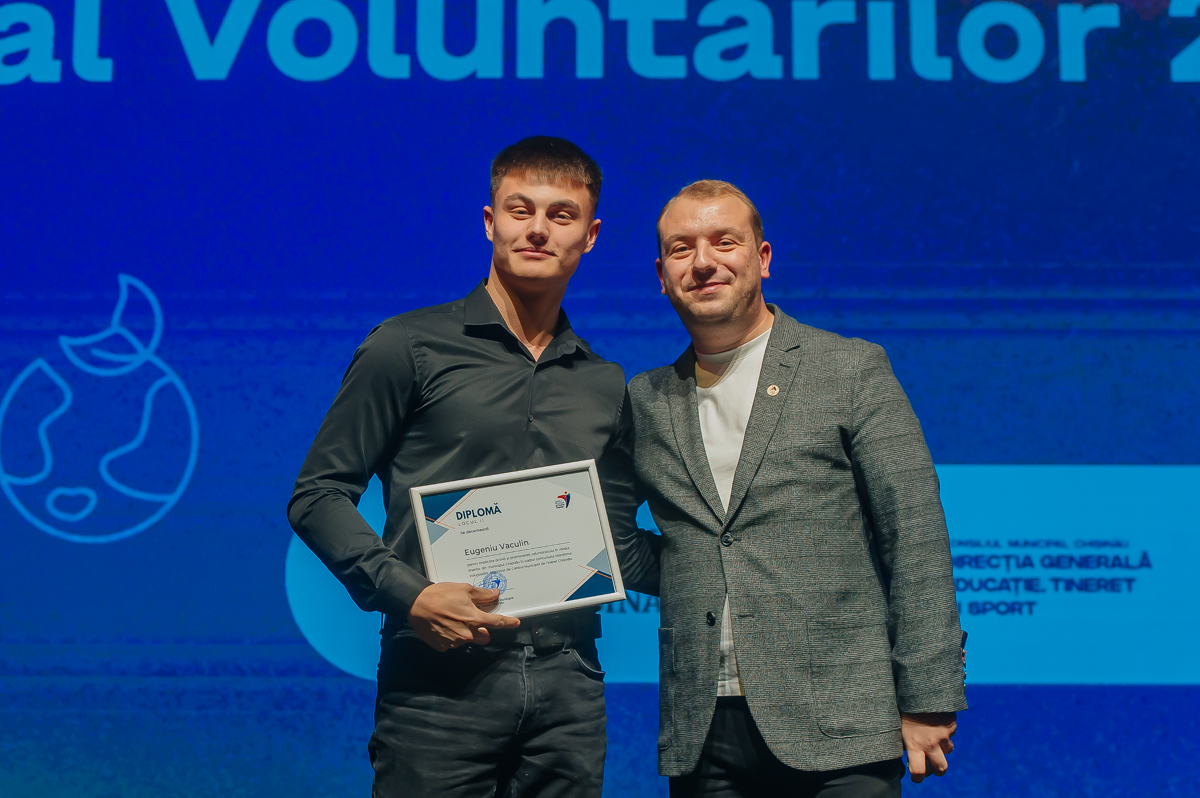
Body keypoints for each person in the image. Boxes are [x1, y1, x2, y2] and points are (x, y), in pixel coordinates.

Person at [287, 136, 655, 798]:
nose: (538, 229)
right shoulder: (407, 347)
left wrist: (742, 559)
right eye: (520, 209)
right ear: (490, 221)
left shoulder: (604, 384)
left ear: (591, 235)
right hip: (437, 683)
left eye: (561, 214)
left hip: (570, 683)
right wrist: (409, 594)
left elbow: (620, 545)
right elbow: (318, 495)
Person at [627, 180, 966, 797]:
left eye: (724, 242)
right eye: (681, 248)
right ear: (661, 275)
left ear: (762, 258)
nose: (702, 262)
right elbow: (607, 532)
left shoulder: (849, 369)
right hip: (702, 725)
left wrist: (928, 696)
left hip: (843, 717)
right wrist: (691, 569)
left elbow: (914, 534)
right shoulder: (645, 400)